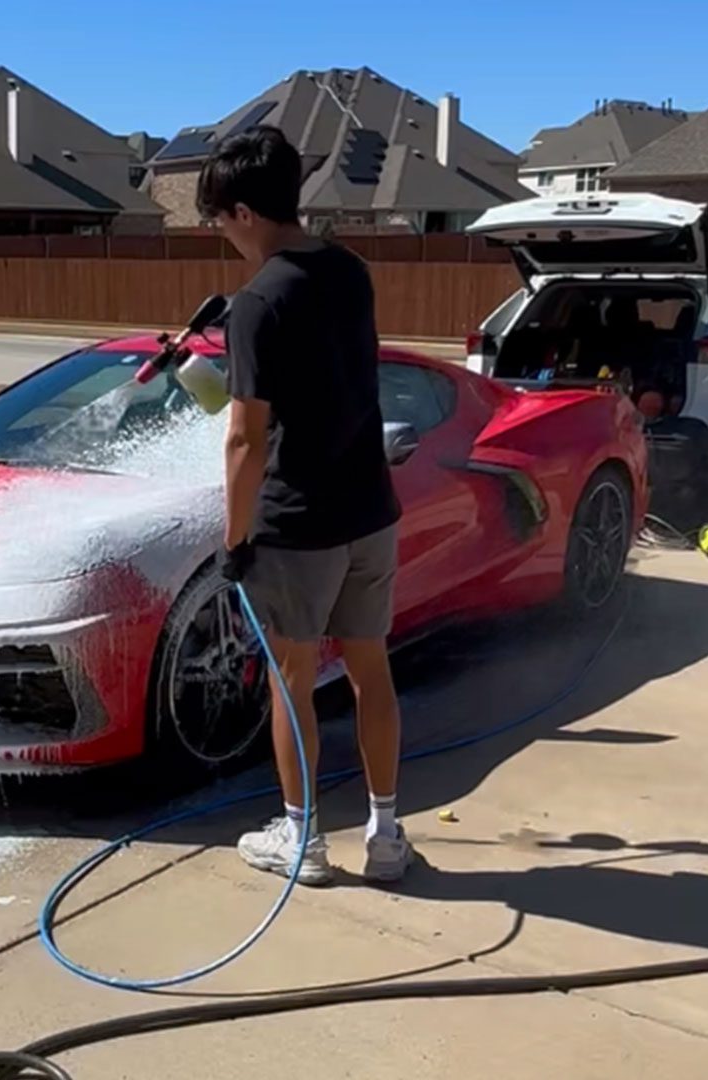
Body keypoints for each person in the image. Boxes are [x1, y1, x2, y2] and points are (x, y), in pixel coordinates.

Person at [195, 125, 411, 886]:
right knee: (368, 673)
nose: (222, 234)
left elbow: (245, 440)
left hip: (299, 523)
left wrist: (235, 537)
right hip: (369, 511)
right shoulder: (352, 272)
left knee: (293, 683)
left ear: (246, 211)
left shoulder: (256, 304)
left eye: (220, 219)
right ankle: (386, 836)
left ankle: (303, 841)